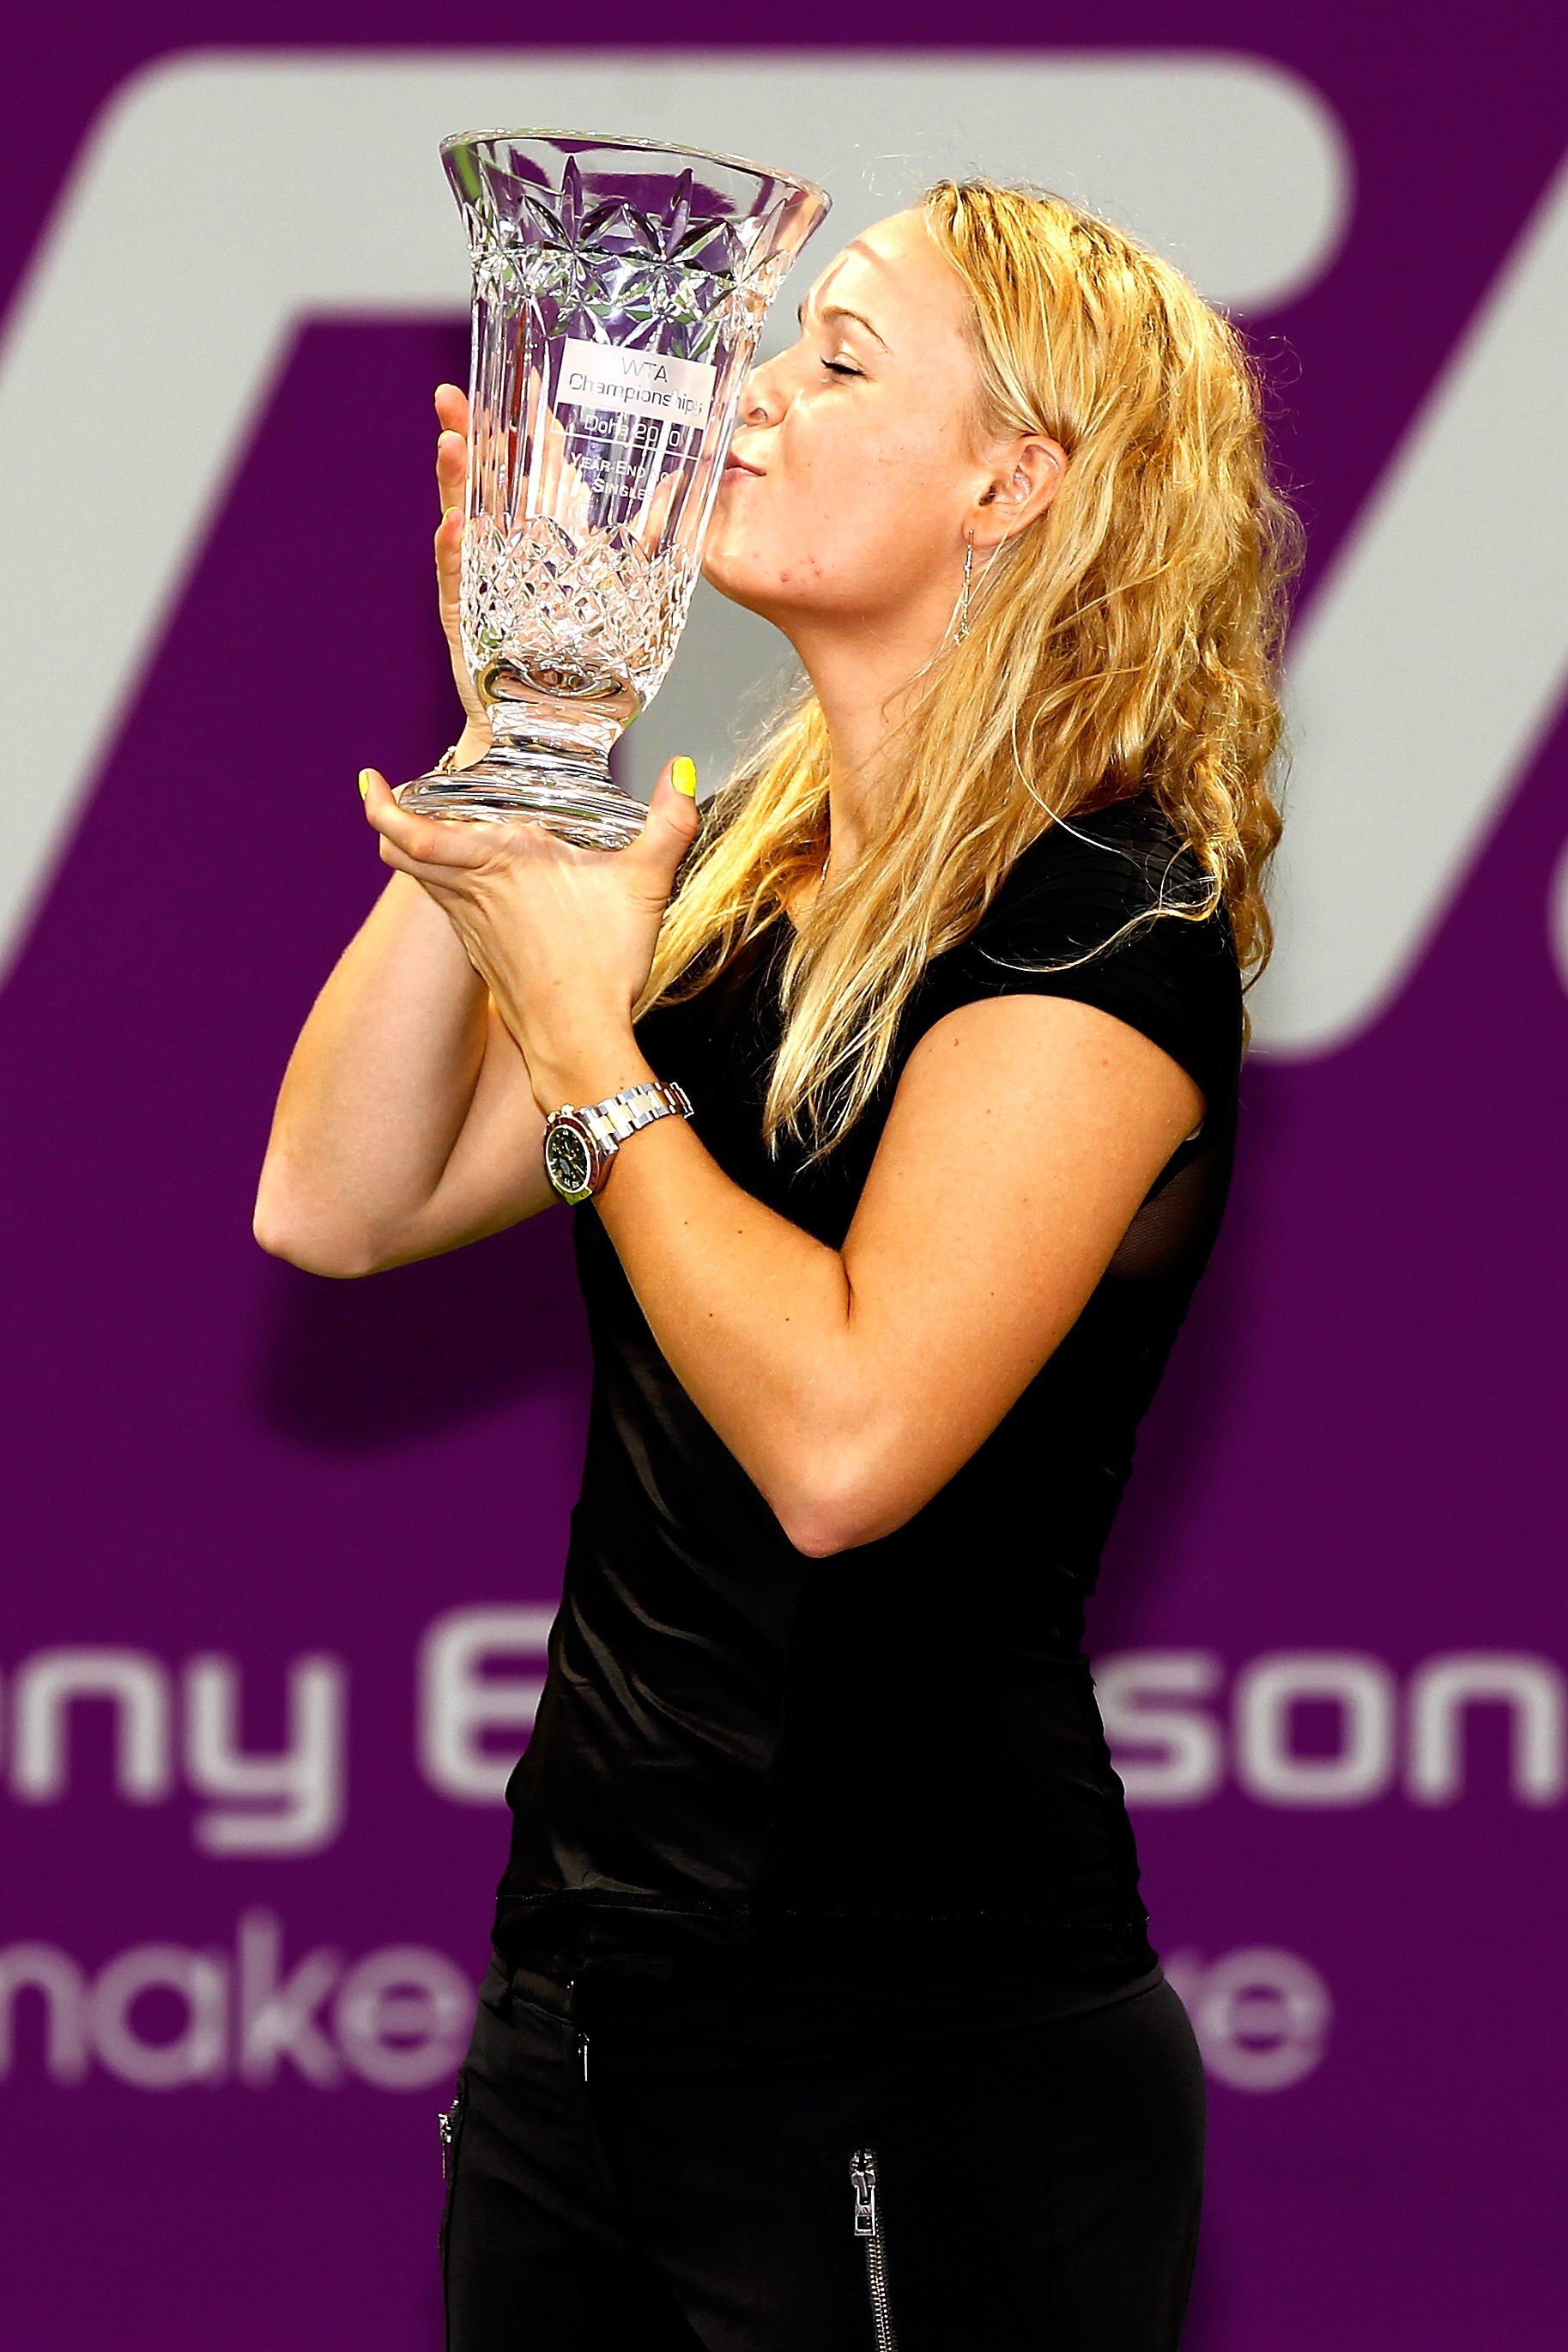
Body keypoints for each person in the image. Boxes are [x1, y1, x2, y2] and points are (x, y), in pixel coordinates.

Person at [256, 179, 1299, 2352]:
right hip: (585, 2010)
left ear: (1010, 483)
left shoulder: (1103, 924)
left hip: (913, 2045)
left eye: (834, 360)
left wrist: (575, 1033)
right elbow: (334, 1204)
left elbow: (840, 1439)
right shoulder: (758, 851)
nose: (741, 407)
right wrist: (522, 743)